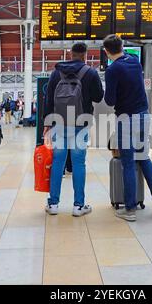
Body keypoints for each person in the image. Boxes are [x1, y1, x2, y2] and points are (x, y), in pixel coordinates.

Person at [103, 34, 152, 222]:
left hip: (126, 117)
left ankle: (130, 209)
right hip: (144, 115)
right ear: (122, 46)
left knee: (128, 162)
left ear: (106, 51)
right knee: (144, 157)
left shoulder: (112, 70)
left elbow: (110, 100)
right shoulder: (135, 61)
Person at [43, 42, 104, 217]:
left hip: (59, 123)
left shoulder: (56, 72)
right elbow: (99, 97)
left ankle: (53, 204)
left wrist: (46, 124)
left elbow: (48, 99)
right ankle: (78, 206)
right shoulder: (90, 72)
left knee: (58, 162)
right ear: (85, 55)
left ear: (71, 54)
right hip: (81, 123)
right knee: (78, 163)